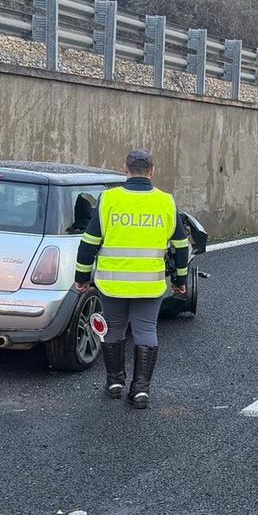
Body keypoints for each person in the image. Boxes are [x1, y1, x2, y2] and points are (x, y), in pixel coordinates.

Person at [74, 148, 188, 409]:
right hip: (150, 284)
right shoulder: (166, 202)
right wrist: (180, 281)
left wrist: (82, 277)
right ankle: (140, 390)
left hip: (112, 283)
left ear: (125, 170)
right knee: (146, 331)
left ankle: (115, 382)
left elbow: (89, 243)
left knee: (113, 329)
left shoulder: (109, 199)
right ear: (152, 171)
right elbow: (181, 247)